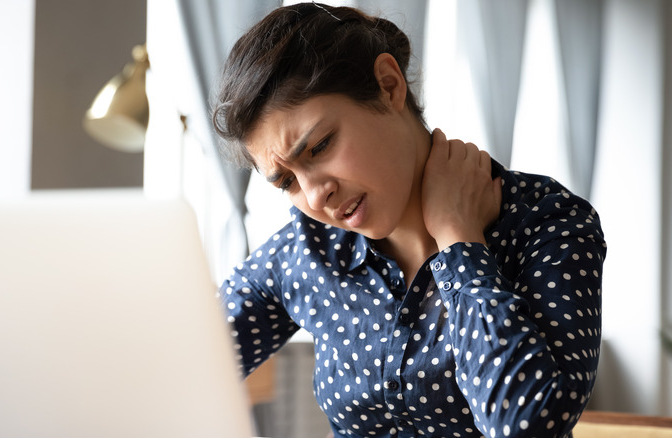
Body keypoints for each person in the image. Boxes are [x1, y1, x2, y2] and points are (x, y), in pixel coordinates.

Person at [212, 3, 606, 438]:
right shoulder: (305, 252)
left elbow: (528, 427)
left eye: (320, 146)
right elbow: (184, 364)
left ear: (388, 84)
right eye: (286, 180)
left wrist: (459, 240)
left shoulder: (545, 221)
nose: (315, 194)